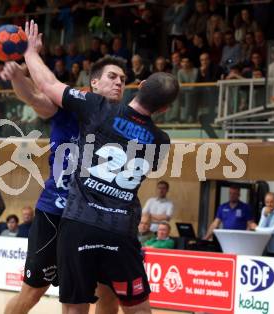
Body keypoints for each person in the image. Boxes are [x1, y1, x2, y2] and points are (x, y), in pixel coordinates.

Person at [23, 20, 177, 314]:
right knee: (137, 308)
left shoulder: (98, 107)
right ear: (164, 109)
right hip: (122, 229)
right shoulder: (161, 140)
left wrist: (31, 52)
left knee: (75, 308)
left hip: (79, 224)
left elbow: (47, 85)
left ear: (140, 86)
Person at [0, 43, 129, 314]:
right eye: (112, 76)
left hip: (96, 217)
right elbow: (35, 97)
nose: (119, 82)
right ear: (94, 83)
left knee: (107, 292)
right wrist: (16, 77)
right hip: (55, 214)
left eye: (123, 79)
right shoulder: (69, 110)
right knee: (32, 292)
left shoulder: (123, 121)